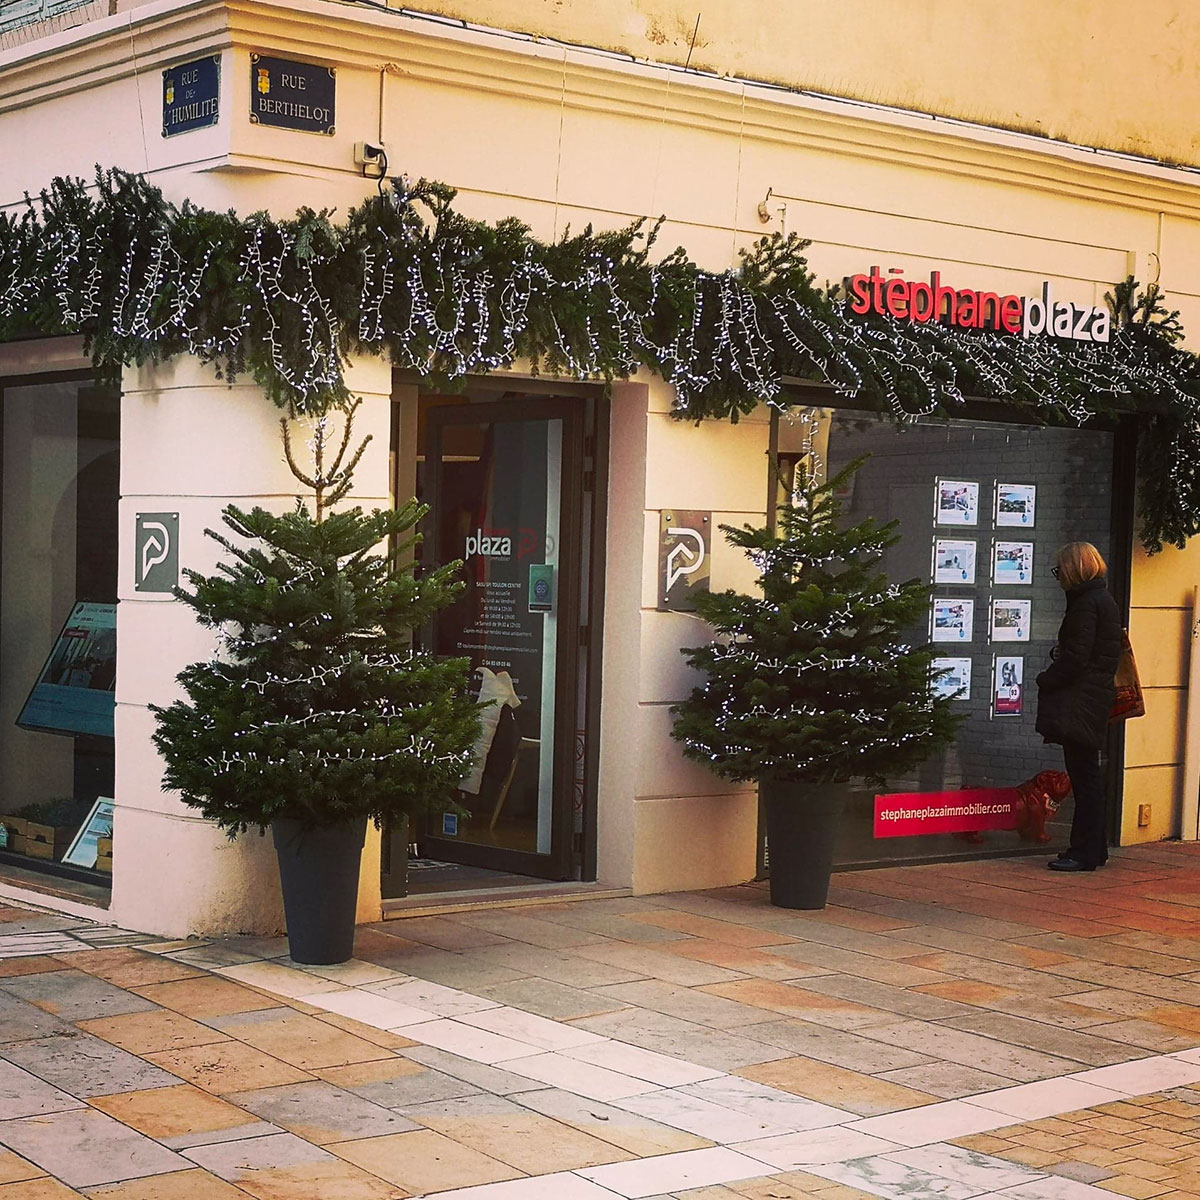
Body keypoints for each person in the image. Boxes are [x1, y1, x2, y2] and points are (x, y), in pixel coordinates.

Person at [1035, 542, 1122, 872]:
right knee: (1089, 777)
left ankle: (1083, 852)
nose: (1058, 578)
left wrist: (1047, 678)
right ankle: (1093, 849)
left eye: (1060, 570)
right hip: (1093, 698)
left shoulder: (1086, 605)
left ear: (1073, 570)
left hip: (1081, 700)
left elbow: (1076, 659)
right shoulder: (1103, 600)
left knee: (1084, 777)